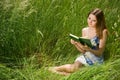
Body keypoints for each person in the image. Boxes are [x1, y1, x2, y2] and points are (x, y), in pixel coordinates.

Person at [48, 8, 108, 76]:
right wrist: (76, 43)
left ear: (99, 21)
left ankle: (62, 73)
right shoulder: (84, 30)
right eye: (89, 18)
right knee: (74, 68)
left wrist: (89, 49)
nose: (90, 22)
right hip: (86, 56)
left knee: (82, 73)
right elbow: (83, 51)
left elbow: (100, 53)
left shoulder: (103, 32)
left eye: (94, 20)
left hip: (96, 60)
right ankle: (54, 68)